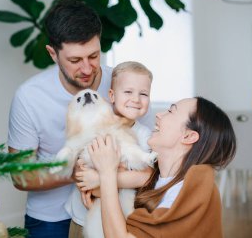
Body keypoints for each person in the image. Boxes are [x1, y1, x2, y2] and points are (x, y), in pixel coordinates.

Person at [7, 0, 153, 238]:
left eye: (93, 56)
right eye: (75, 60)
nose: (87, 68)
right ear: (52, 53)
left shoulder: (122, 85)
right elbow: (20, 175)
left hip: (113, 211)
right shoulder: (29, 97)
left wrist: (107, 176)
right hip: (50, 219)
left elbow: (144, 154)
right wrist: (78, 174)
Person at [78, 97, 236, 238]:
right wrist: (105, 211)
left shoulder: (190, 195)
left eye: (170, 111)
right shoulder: (157, 176)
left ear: (188, 136)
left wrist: (107, 173)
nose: (159, 115)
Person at [66, 61, 154, 238]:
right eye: (128, 92)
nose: (136, 99)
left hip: (119, 221)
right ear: (112, 95)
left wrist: (100, 178)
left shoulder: (145, 135)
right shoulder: (94, 124)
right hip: (82, 220)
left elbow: (148, 177)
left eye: (143, 94)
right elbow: (88, 184)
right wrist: (121, 176)